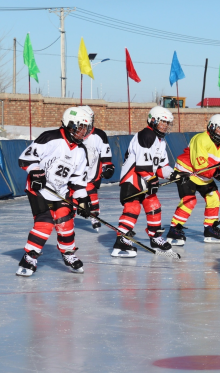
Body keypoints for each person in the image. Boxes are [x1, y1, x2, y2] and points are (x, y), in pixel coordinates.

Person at [16, 107, 93, 276]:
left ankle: (68, 253)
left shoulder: (81, 150)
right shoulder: (50, 138)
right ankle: (29, 257)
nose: (83, 132)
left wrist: (82, 199)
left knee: (66, 221)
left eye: (86, 128)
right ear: (69, 124)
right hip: (39, 189)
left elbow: (78, 179)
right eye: (80, 127)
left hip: (61, 191)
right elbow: (25, 158)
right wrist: (35, 172)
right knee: (45, 222)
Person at [111, 106, 175, 257]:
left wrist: (174, 174)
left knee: (154, 205)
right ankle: (122, 239)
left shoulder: (161, 141)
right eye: (162, 122)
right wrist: (151, 179)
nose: (165, 126)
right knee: (132, 208)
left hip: (146, 179)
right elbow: (142, 165)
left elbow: (161, 167)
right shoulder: (146, 135)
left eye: (167, 123)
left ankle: (155, 237)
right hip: (132, 178)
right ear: (153, 121)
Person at [166, 115, 220, 245]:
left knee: (214, 197)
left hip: (204, 176)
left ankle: (210, 228)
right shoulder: (200, 139)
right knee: (189, 200)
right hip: (187, 172)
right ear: (212, 126)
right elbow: (199, 165)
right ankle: (174, 229)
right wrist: (218, 174)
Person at [78, 106, 114, 231]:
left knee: (91, 192)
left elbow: (105, 154)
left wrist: (108, 166)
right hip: (75, 171)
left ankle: (94, 215)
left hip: (92, 171)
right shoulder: (72, 135)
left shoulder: (99, 135)